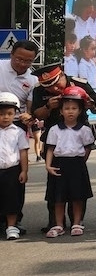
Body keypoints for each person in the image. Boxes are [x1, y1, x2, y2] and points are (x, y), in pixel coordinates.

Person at [43, 87, 94, 238]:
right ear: (61, 111)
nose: (70, 111)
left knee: (77, 196)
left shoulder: (84, 129)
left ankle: (77, 223)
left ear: (80, 111)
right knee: (58, 197)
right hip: (58, 164)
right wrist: (48, 165)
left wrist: (80, 162)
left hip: (77, 164)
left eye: (74, 108)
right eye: (66, 108)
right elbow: (50, 148)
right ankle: (59, 224)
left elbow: (88, 148)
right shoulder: (54, 129)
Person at [0, 92, 29, 241]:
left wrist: (24, 170)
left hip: (12, 170)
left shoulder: (19, 132)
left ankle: (11, 226)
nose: (5, 117)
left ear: (15, 114)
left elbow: (23, 152)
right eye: (2, 114)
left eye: (9, 113)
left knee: (13, 199)